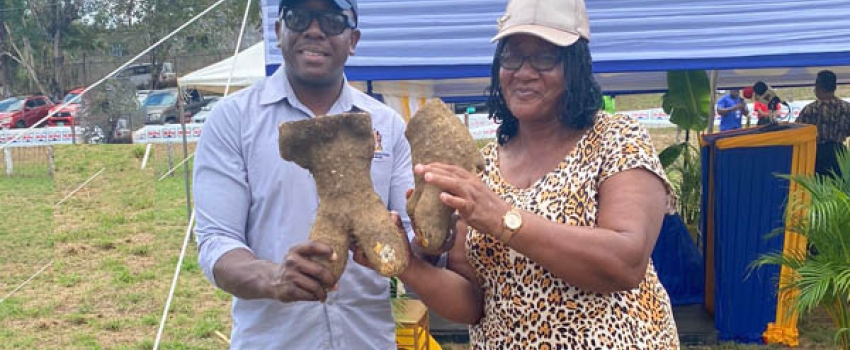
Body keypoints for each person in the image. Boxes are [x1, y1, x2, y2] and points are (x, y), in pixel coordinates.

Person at [356, 0, 680, 347]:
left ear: (575, 66)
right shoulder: (483, 168)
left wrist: (503, 220)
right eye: (512, 57)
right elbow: (474, 304)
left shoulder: (616, 138)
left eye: (544, 57)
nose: (524, 72)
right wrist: (408, 264)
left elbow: (626, 263)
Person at [191, 0, 414, 348]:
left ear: (353, 40)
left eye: (332, 20)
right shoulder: (233, 120)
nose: (314, 30)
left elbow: (411, 239)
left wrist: (434, 239)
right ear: (278, 31)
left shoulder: (387, 125)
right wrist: (273, 277)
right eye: (298, 17)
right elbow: (217, 241)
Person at [796, 70, 850, 176]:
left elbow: (798, 132)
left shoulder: (810, 110)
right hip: (840, 154)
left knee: (819, 184)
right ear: (834, 87)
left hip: (817, 154)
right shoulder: (846, 108)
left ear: (818, 87)